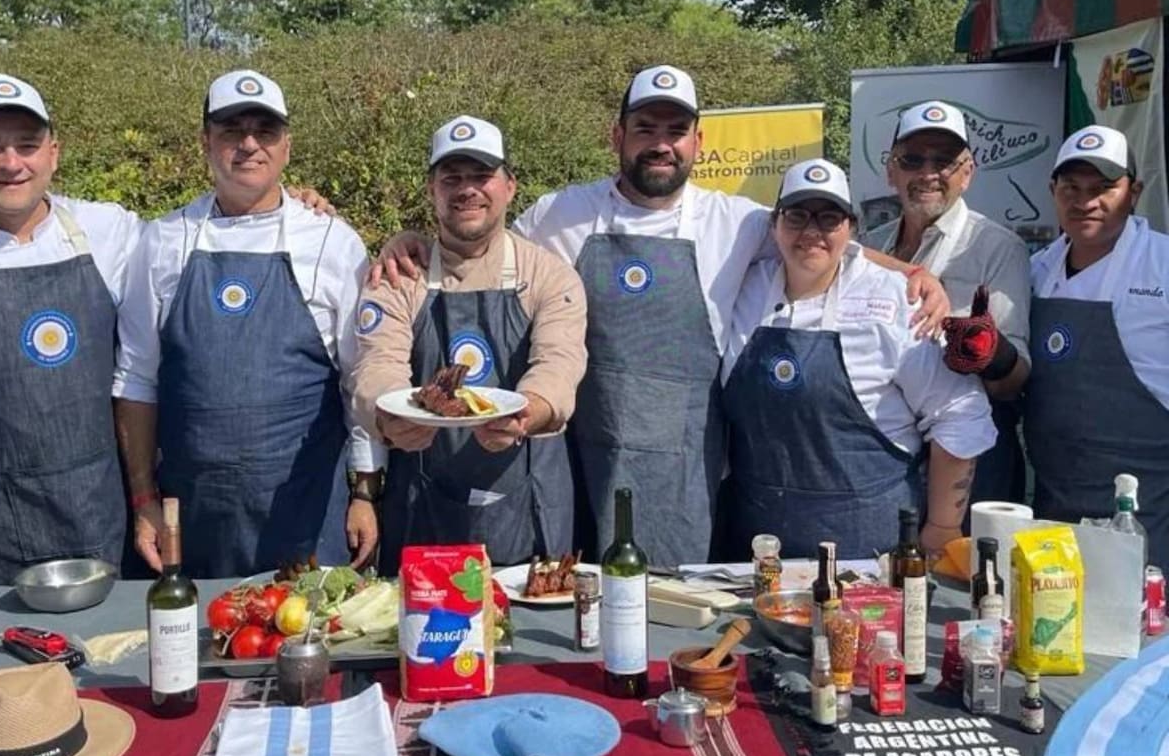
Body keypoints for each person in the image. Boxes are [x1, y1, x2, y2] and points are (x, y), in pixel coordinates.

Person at [370, 65, 950, 567]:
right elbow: (481, 247)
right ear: (617, 135)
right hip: (580, 456)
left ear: (698, 141)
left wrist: (909, 273)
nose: (661, 144)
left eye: (676, 131)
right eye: (645, 128)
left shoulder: (738, 222)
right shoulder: (564, 213)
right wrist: (414, 240)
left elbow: (822, 241)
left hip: (684, 468)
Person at [113, 70, 384, 578]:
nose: (249, 145)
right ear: (205, 143)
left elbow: (359, 380)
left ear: (286, 146)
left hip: (306, 508)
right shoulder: (162, 240)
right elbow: (136, 379)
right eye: (232, 130)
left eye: (265, 131)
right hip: (194, 515)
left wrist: (364, 491)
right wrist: (144, 497)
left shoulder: (332, 241)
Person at [723, 159, 996, 558]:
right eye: (797, 216)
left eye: (829, 219)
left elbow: (959, 410)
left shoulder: (894, 301)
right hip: (756, 546)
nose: (811, 232)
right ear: (774, 225)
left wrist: (942, 526)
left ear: (850, 229)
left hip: (868, 546)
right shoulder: (741, 287)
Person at [351, 116, 586, 575]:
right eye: (452, 178)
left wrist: (524, 414)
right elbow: (376, 365)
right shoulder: (399, 277)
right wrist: (388, 416)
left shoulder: (548, 276)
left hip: (530, 502)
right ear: (431, 189)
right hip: (424, 508)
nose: (467, 190)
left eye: (482, 176)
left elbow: (559, 366)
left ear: (510, 186)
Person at [0, 74, 140, 584]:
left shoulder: (110, 232)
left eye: (27, 144)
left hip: (97, 515)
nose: (11, 163)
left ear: (54, 154)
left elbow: (202, 238)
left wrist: (294, 202)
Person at [862, 101, 1031, 511]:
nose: (927, 173)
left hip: (972, 453)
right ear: (891, 169)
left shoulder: (998, 248)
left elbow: (1015, 381)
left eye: (944, 162)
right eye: (913, 160)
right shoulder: (871, 245)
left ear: (968, 173)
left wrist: (990, 355)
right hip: (888, 449)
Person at [1025, 125, 1169, 569]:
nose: (1085, 201)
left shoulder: (1162, 266)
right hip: (1054, 495)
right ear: (1053, 191)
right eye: (1071, 187)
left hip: (1147, 501)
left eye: (1104, 187)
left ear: (1134, 191)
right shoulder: (1036, 269)